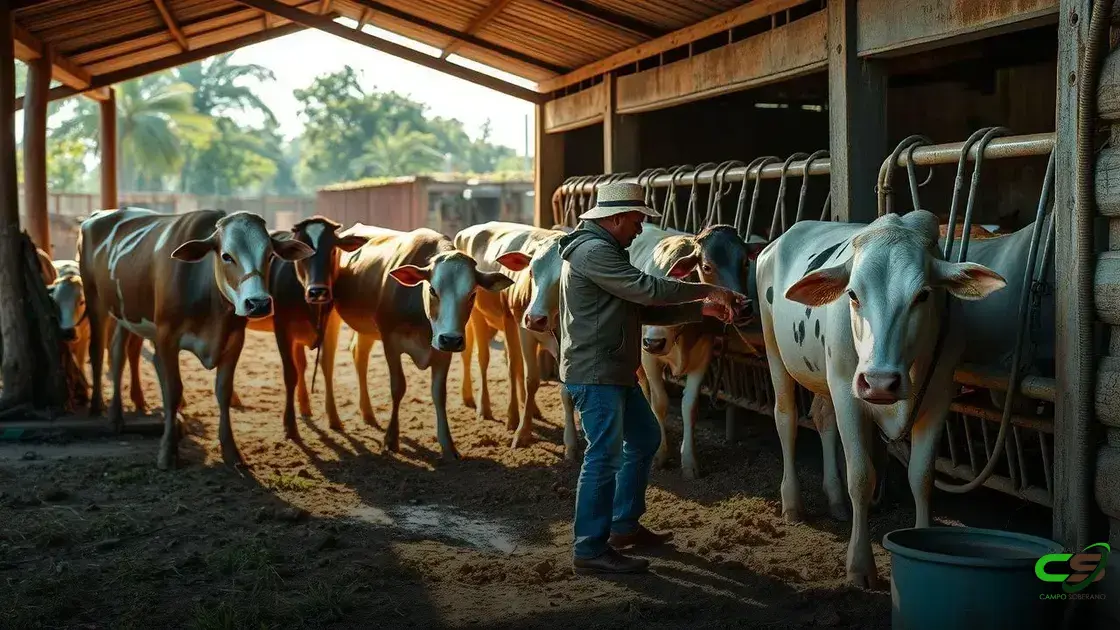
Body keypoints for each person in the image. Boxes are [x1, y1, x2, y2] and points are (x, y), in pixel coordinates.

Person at [557, 181, 749, 574]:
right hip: (596, 373)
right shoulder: (594, 252)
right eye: (636, 220)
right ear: (614, 219)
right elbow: (646, 291)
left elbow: (637, 311)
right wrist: (705, 292)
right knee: (603, 456)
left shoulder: (606, 250)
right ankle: (590, 549)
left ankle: (624, 524)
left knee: (644, 437)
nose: (641, 229)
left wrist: (702, 314)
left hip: (612, 369)